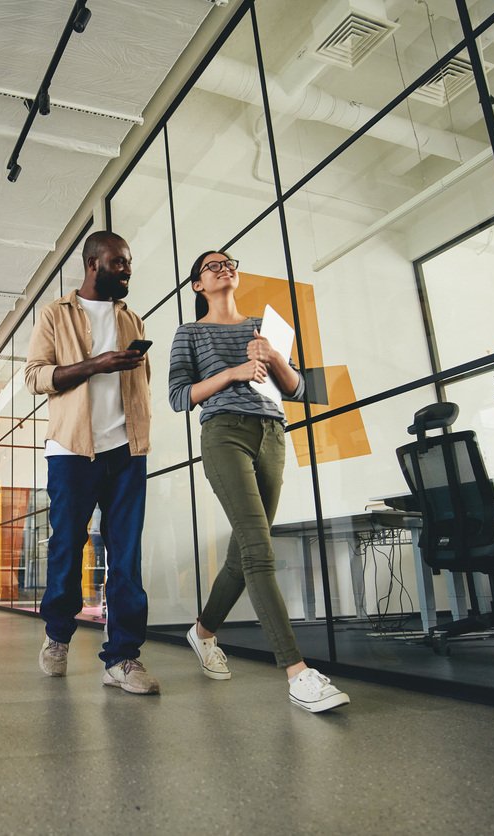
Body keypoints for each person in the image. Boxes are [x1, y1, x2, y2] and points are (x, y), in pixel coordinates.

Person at [167, 251, 349, 713]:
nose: (224, 267)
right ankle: (297, 673)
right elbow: (177, 397)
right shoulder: (190, 333)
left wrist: (273, 357)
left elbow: (299, 390)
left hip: (271, 434)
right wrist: (232, 373)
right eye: (213, 266)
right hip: (224, 432)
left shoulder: (263, 328)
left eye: (230, 262)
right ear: (197, 286)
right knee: (259, 551)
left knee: (242, 553)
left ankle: (203, 631)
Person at [24, 230, 159, 695]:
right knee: (67, 546)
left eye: (128, 263)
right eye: (118, 262)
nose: (126, 270)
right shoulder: (54, 315)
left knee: (126, 554)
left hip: (126, 451)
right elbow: (36, 376)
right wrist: (95, 364)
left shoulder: (133, 319)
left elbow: (142, 383)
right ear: (92, 263)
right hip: (71, 450)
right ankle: (57, 636)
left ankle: (122, 657)